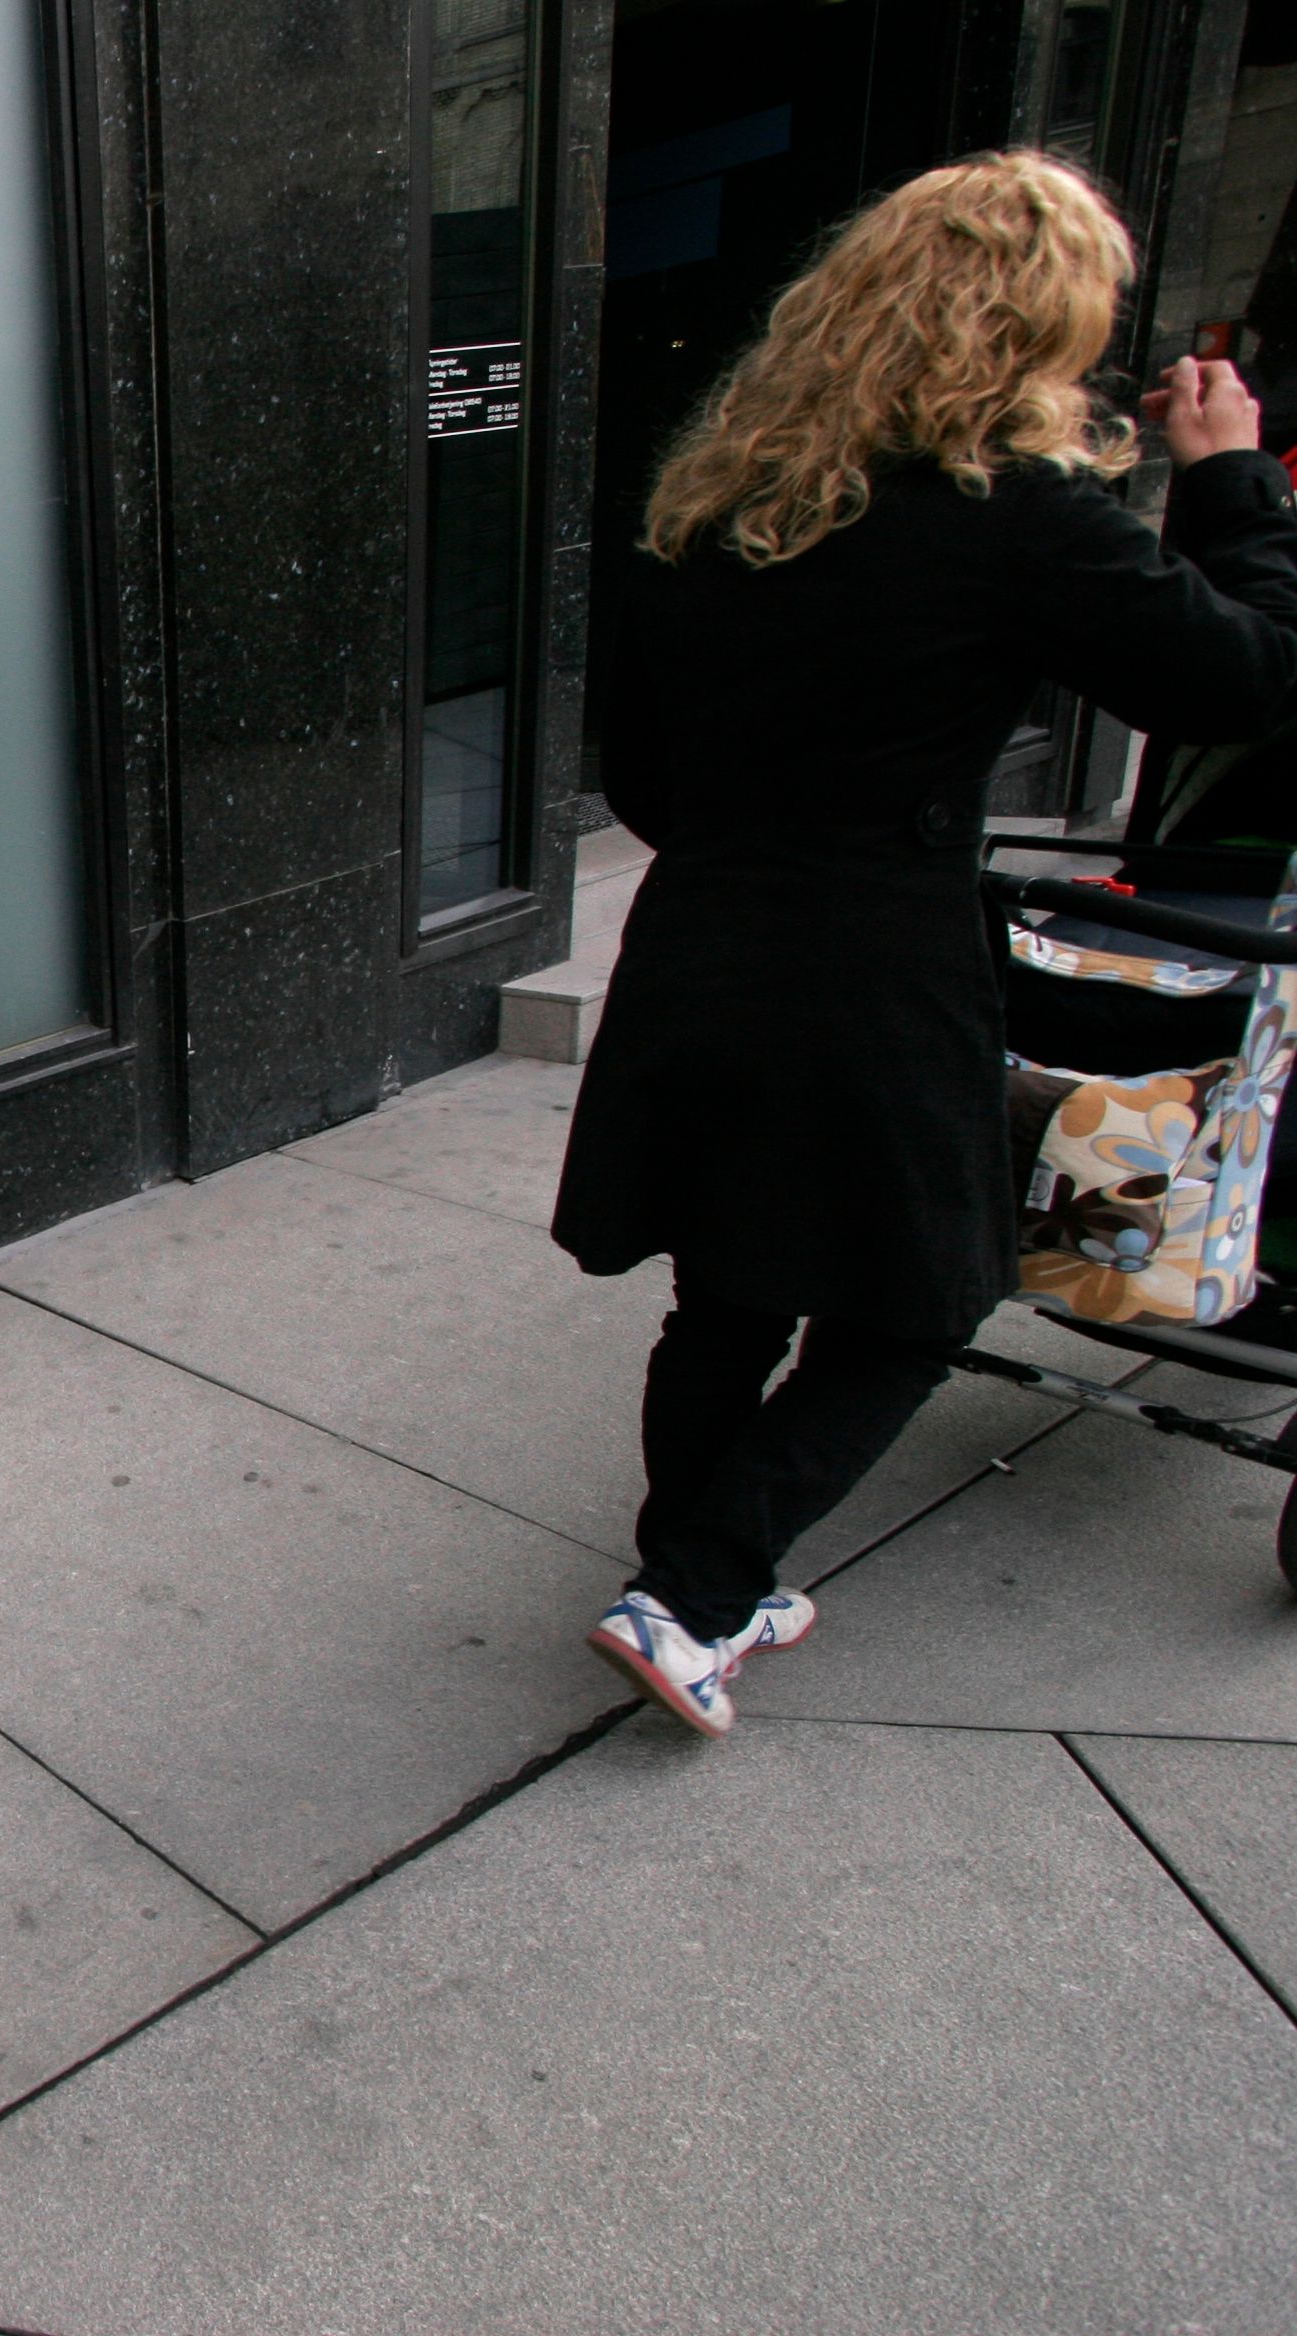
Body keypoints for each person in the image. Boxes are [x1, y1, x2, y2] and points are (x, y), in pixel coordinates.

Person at [556, 149, 1297, 1736]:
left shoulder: (720, 503)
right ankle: (694, 1597)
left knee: (725, 1291)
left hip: (700, 947)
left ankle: (698, 1575)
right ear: (1039, 326)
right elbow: (1249, 680)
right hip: (876, 968)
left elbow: (646, 785)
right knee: (916, 1301)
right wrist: (1233, 478)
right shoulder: (1017, 514)